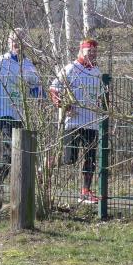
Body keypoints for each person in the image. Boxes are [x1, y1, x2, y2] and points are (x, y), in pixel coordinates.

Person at [0, 28, 42, 180]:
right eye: (14, 40)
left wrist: (40, 98)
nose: (18, 43)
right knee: (11, 148)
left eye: (22, 40)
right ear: (9, 42)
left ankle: (0, 182)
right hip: (1, 111)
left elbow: (36, 88)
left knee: (18, 150)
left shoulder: (29, 65)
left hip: (19, 113)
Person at [49, 38, 104, 204]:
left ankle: (86, 192)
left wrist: (101, 108)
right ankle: (45, 166)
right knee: (69, 158)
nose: (92, 54)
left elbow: (100, 96)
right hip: (73, 122)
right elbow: (54, 88)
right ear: (81, 51)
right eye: (89, 51)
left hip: (91, 122)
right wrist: (65, 106)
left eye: (94, 51)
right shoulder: (71, 68)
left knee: (90, 157)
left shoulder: (97, 72)